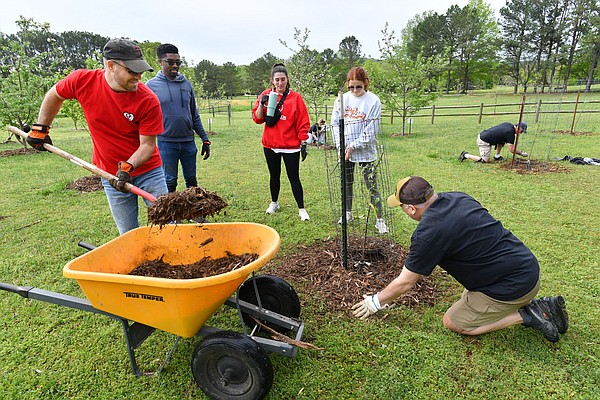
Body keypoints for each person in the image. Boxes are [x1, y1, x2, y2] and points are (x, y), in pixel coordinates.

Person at [352, 176, 569, 343]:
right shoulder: (459, 197)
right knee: (469, 295)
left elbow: (406, 281)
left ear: (411, 208)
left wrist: (374, 303)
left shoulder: (428, 233)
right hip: (527, 267)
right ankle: (530, 304)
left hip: (514, 286)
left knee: (453, 322)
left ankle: (529, 314)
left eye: (402, 207)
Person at [27, 37, 168, 235]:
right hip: (109, 173)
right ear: (111, 65)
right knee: (127, 233)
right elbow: (55, 94)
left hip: (148, 171)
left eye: (141, 71)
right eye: (132, 71)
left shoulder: (147, 100)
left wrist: (128, 166)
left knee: (168, 226)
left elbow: (147, 145)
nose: (138, 77)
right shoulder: (82, 81)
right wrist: (41, 127)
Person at [146, 43, 211, 194]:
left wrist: (205, 139)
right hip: (166, 143)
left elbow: (194, 114)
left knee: (192, 180)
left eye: (178, 62)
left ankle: (196, 214)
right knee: (170, 181)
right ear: (160, 62)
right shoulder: (151, 86)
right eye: (170, 62)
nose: (175, 66)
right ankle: (172, 218)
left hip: (188, 142)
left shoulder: (186, 85)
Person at [331, 66, 388, 234]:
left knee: (372, 185)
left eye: (358, 87)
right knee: (346, 183)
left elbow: (371, 129)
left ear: (365, 84)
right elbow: (335, 124)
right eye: (351, 87)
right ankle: (347, 213)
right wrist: (341, 146)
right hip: (345, 150)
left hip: (364, 150)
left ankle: (380, 219)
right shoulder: (341, 100)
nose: (355, 90)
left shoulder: (373, 101)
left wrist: (353, 145)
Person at [252, 63, 311, 221]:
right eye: (277, 80)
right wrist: (263, 103)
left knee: (294, 177)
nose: (280, 83)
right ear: (272, 80)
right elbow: (257, 118)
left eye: (282, 79)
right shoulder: (265, 94)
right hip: (270, 145)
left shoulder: (295, 98)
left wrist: (303, 142)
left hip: (290, 146)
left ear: (287, 79)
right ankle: (274, 202)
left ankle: (301, 208)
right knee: (274, 176)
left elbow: (303, 122)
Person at [460, 122, 528, 163]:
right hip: (483, 141)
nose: (520, 133)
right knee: (486, 160)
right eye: (521, 131)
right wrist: (521, 153)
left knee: (502, 140)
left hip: (484, 135)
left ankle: (497, 156)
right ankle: (466, 155)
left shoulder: (508, 124)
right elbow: (511, 149)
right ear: (518, 127)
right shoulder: (510, 133)